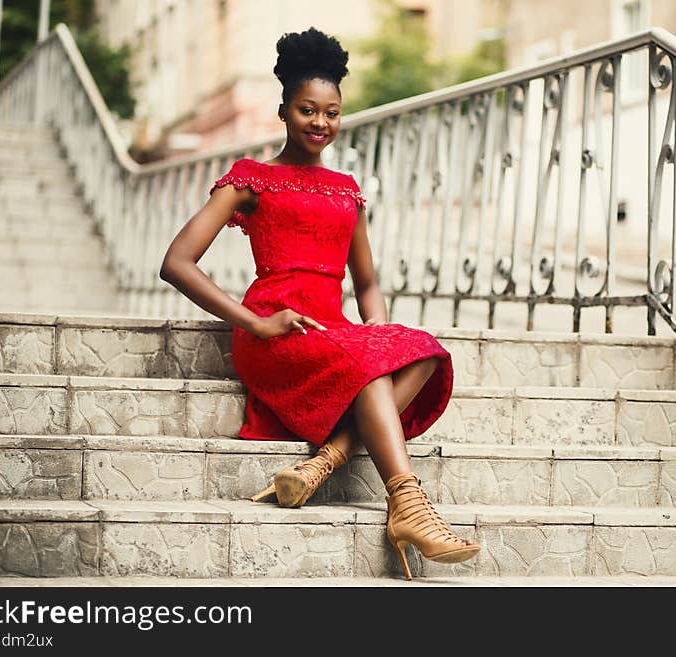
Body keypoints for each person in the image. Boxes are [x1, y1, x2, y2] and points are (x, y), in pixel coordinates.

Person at [159, 27, 479, 580]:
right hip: (278, 332)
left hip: (332, 330)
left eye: (332, 113)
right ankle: (406, 503)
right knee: (371, 369)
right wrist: (257, 324)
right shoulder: (251, 178)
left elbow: (368, 283)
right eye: (308, 110)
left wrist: (378, 333)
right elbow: (177, 262)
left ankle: (325, 462)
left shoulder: (346, 188)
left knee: (425, 352)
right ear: (283, 110)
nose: (321, 124)